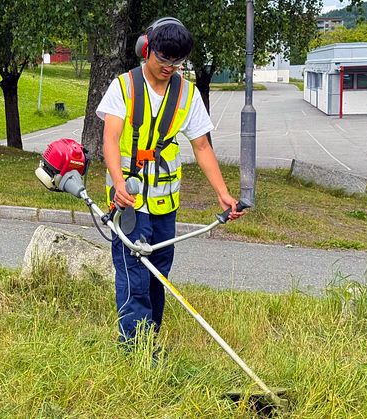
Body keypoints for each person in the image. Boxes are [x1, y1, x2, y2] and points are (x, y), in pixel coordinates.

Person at [95, 17, 244, 345]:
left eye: (178, 62)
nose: (170, 68)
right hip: (129, 201)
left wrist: (223, 194)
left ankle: (150, 335)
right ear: (146, 50)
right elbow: (110, 139)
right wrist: (118, 184)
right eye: (163, 59)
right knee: (133, 274)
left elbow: (202, 146)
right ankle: (137, 349)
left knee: (156, 275)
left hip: (165, 204)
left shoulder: (187, 95)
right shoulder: (124, 87)